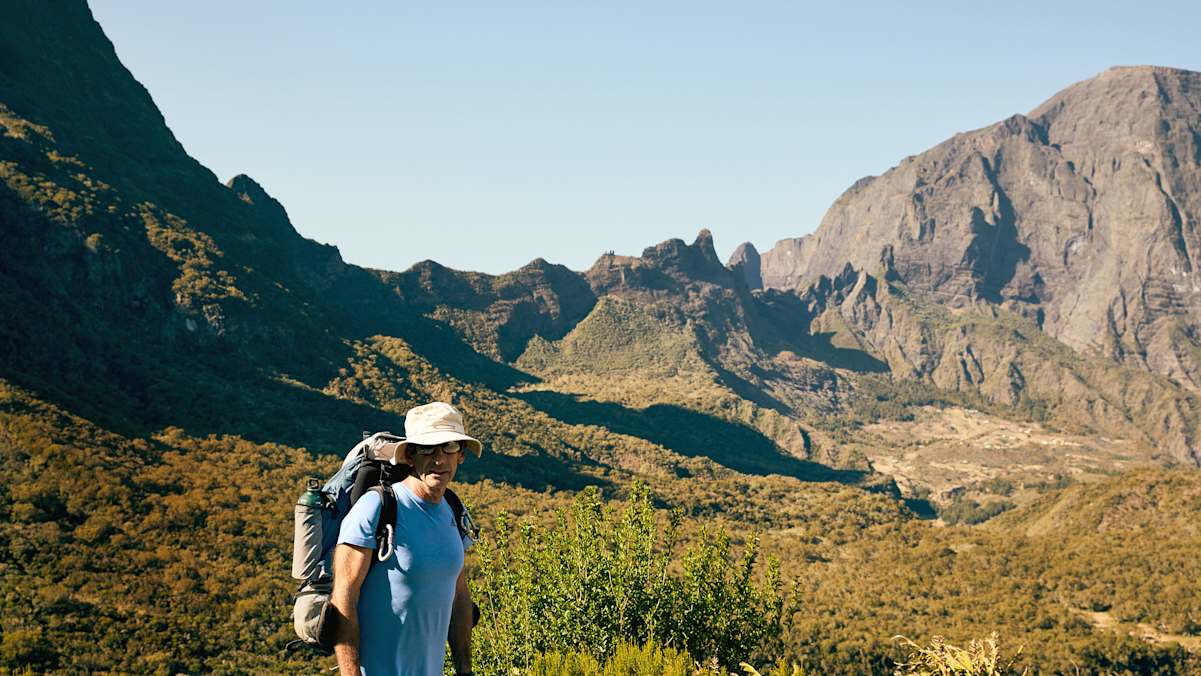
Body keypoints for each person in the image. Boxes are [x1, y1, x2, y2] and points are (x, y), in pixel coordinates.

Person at [331, 401, 482, 676]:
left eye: (449, 447)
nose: (439, 459)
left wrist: (465, 669)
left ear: (461, 455)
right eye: (428, 448)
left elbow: (459, 596)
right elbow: (343, 597)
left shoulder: (453, 510)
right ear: (410, 456)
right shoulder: (376, 508)